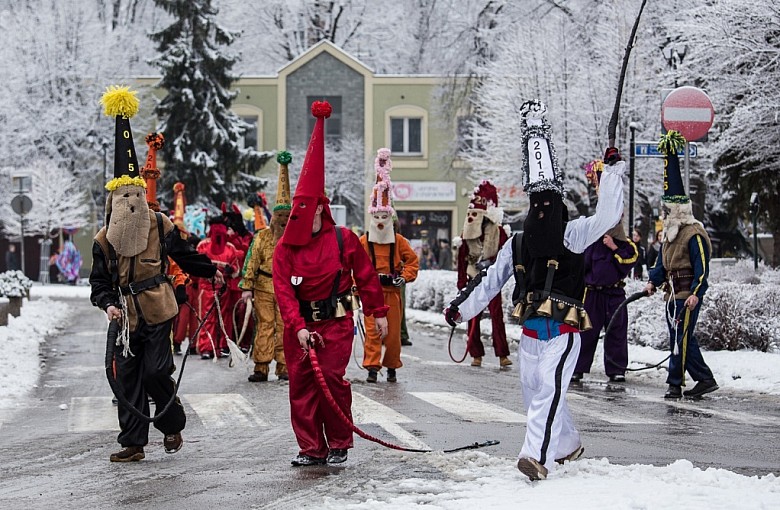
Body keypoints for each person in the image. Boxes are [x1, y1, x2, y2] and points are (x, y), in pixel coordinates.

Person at [444, 100, 625, 481]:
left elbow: (608, 216)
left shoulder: (573, 234)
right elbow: (491, 280)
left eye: (549, 202)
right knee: (538, 397)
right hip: (529, 335)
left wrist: (612, 173)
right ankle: (567, 444)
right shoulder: (519, 243)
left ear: (558, 205)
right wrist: (460, 309)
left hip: (563, 333)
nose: (542, 209)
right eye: (536, 202)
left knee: (547, 396)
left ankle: (535, 457)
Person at [89, 85, 223, 463]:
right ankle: (132, 443)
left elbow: (186, 255)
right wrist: (107, 304)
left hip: (159, 309)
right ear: (114, 201)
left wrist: (212, 270)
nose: (131, 202)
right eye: (124, 197)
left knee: (155, 373)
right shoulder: (103, 240)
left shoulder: (161, 225)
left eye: (136, 195)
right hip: (125, 316)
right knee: (127, 378)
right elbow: (98, 283)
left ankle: (171, 423)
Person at [273, 101, 388, 467]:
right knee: (301, 388)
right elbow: (284, 293)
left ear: (323, 206)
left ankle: (339, 442)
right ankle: (311, 448)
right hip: (301, 328)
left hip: (337, 324)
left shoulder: (344, 239)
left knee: (333, 383)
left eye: (311, 209)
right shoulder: (284, 250)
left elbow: (367, 278)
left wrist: (378, 313)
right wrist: (298, 327)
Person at [646, 131, 718, 400]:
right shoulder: (669, 234)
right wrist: (653, 281)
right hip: (671, 294)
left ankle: (675, 383)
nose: (664, 215)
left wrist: (696, 294)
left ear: (678, 212)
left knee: (681, 338)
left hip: (687, 295)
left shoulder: (694, 234)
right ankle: (704, 378)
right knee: (683, 337)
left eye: (667, 211)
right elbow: (661, 264)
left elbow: (702, 267)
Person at [573, 161, 637, 383]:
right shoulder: (591, 239)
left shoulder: (621, 240)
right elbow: (582, 265)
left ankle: (616, 369)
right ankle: (578, 368)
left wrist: (614, 247)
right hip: (593, 294)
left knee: (616, 333)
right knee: (587, 332)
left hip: (614, 294)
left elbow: (631, 259)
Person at [360, 148, 419, 383]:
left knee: (393, 334)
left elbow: (413, 261)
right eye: (377, 217)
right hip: (372, 291)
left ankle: (392, 365)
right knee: (373, 332)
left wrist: (404, 276)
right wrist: (356, 286)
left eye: (385, 217)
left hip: (392, 292)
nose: (381, 222)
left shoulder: (400, 241)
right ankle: (372, 368)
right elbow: (354, 266)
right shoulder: (364, 242)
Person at [239, 151, 293, 382]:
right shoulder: (261, 237)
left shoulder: (296, 239)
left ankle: (284, 366)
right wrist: (247, 286)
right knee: (264, 325)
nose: (282, 220)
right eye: (279, 215)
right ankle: (261, 366)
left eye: (286, 216)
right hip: (263, 286)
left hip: (287, 288)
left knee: (285, 327)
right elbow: (251, 261)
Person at [452, 180, 512, 368]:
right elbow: (462, 259)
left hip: (491, 278)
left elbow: (505, 255)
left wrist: (494, 268)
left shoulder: (499, 232)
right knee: (472, 315)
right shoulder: (466, 233)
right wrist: (462, 282)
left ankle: (502, 354)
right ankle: (476, 354)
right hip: (472, 278)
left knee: (496, 315)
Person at [195, 218, 242, 359]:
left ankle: (222, 346)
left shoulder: (230, 248)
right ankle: (206, 347)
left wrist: (230, 269)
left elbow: (236, 271)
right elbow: (196, 266)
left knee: (224, 318)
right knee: (207, 317)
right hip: (206, 286)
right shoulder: (203, 246)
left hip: (223, 288)